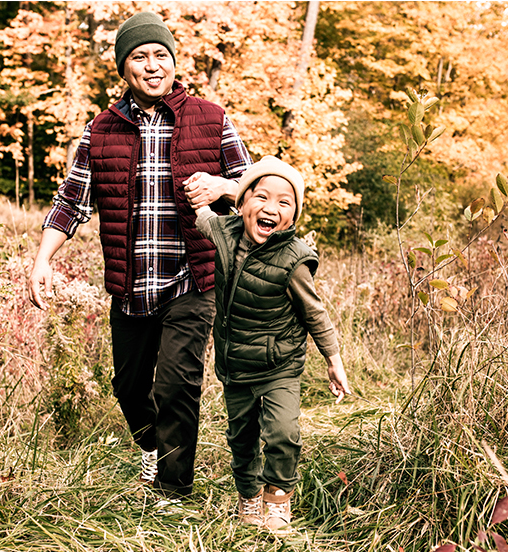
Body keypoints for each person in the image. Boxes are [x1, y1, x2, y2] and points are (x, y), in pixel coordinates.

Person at [27, 11, 252, 499]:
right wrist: (42, 259)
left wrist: (222, 186)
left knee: (177, 385)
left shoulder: (211, 118)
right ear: (124, 68)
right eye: (139, 57)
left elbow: (256, 189)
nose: (153, 66)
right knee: (129, 389)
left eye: (161, 55)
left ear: (174, 62)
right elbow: (72, 200)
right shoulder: (101, 130)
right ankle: (152, 447)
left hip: (193, 279)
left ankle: (173, 491)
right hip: (130, 284)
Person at [185, 156, 350, 532]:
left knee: (283, 433)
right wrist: (196, 190)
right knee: (241, 436)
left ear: (292, 217)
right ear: (242, 204)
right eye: (261, 197)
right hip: (235, 364)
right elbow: (204, 217)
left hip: (280, 367)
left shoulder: (295, 261)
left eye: (284, 202)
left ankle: (277, 498)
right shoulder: (225, 235)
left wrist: (333, 359)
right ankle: (248, 495)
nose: (270, 208)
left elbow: (315, 314)